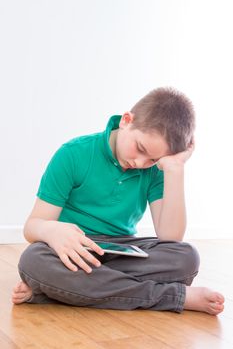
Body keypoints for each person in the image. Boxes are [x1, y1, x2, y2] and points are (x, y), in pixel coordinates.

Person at [12, 87, 224, 315]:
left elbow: (171, 238)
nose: (141, 162)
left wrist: (174, 168)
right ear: (126, 121)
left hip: (121, 250)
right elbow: (33, 227)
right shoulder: (73, 154)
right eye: (140, 148)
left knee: (186, 257)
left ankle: (56, 291)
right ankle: (173, 297)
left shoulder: (157, 170)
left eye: (153, 159)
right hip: (72, 248)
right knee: (33, 260)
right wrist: (52, 232)